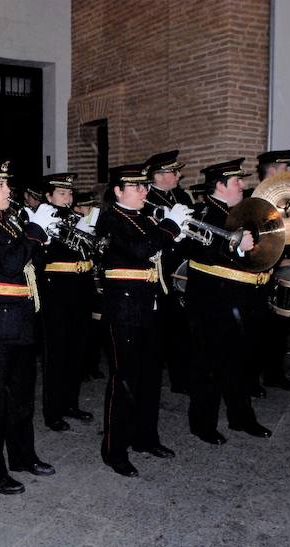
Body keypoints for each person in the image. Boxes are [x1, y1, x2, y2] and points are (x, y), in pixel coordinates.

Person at [0, 160, 61, 495]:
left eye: (7, 184)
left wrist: (41, 238)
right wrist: (33, 234)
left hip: (20, 318)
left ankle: (23, 456)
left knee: (21, 398)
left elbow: (33, 263)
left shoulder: (12, 222)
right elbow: (7, 263)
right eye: (0, 186)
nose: (9, 190)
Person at [96, 163, 191, 476]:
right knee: (124, 380)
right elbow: (139, 250)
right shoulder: (109, 218)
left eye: (145, 186)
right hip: (123, 309)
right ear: (118, 191)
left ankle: (145, 437)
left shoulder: (146, 218)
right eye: (135, 187)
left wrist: (179, 235)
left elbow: (162, 253)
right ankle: (114, 450)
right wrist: (169, 229)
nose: (144, 191)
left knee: (150, 379)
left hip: (151, 305)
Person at [185, 158, 273, 445]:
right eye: (237, 181)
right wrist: (234, 245)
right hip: (212, 304)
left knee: (240, 363)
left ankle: (241, 417)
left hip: (242, 300)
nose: (243, 185)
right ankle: (202, 424)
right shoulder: (203, 212)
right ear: (220, 185)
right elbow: (201, 252)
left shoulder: (243, 211)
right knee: (208, 366)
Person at [38, 172, 96, 432]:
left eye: (70, 193)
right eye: (62, 193)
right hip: (57, 293)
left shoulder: (77, 219)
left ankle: (71, 403)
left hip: (80, 289)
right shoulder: (40, 221)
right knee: (57, 354)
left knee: (77, 351)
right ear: (48, 197)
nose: (68, 197)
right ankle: (53, 412)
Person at [145, 150, 194, 395]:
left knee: (183, 328)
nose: (178, 175)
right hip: (161, 269)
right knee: (164, 326)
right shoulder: (147, 200)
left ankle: (182, 378)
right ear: (159, 175)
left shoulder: (182, 195)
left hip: (184, 268)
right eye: (174, 171)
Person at [255, 149, 290, 393]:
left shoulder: (285, 198)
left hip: (281, 267)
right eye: (286, 167)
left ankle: (274, 374)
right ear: (272, 170)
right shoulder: (256, 197)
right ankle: (252, 380)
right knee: (257, 328)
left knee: (279, 326)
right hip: (261, 271)